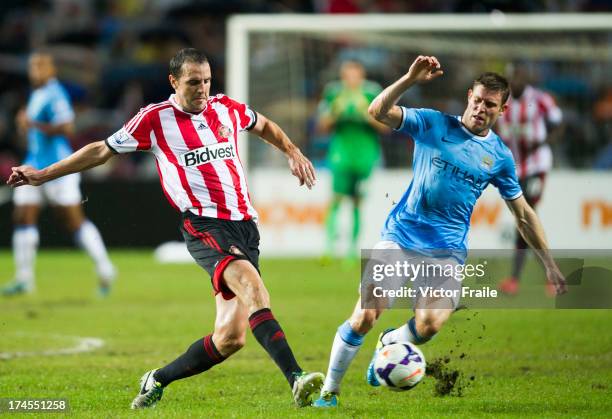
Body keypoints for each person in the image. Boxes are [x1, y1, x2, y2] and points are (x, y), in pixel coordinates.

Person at [7, 48, 324, 409]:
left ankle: (157, 379)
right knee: (254, 289)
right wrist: (43, 175)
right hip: (205, 226)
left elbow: (262, 124)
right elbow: (100, 150)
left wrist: (292, 150)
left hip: (246, 226)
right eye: (193, 82)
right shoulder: (155, 119)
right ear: (173, 82)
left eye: (206, 81)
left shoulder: (226, 108)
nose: (202, 89)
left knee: (231, 337)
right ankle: (297, 379)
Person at [312, 55, 567, 407]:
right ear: (468, 96)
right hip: (402, 236)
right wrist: (409, 79)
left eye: (490, 105)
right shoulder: (433, 124)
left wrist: (550, 264)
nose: (480, 108)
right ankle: (329, 392)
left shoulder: (500, 157)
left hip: (446, 250)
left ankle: (390, 343)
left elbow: (523, 214)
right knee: (364, 315)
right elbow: (377, 112)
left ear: (503, 110)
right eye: (477, 100)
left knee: (430, 324)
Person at [2, 51, 115, 296]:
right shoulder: (37, 94)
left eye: (41, 66)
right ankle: (24, 278)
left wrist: (32, 124)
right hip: (32, 165)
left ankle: (105, 269)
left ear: (51, 69)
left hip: (58, 167)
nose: (36, 71)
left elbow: (67, 127)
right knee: (22, 216)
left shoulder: (55, 94)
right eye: (33, 66)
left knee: (73, 221)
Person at [496, 64, 563, 296]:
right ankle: (549, 273)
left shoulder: (541, 99)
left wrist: (543, 142)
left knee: (525, 215)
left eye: (519, 77)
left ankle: (520, 277)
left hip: (537, 165)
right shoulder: (502, 101)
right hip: (514, 168)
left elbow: (559, 124)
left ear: (526, 78)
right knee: (524, 219)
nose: (515, 81)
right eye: (511, 77)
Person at [317, 61, 388, 260]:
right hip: (341, 154)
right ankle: (329, 248)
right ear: (342, 76)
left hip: (365, 156)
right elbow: (322, 125)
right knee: (336, 198)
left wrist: (367, 114)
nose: (351, 80)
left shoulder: (372, 93)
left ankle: (351, 250)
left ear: (362, 75)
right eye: (347, 75)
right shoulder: (334, 93)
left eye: (355, 75)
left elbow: (386, 127)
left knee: (357, 202)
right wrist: (336, 113)